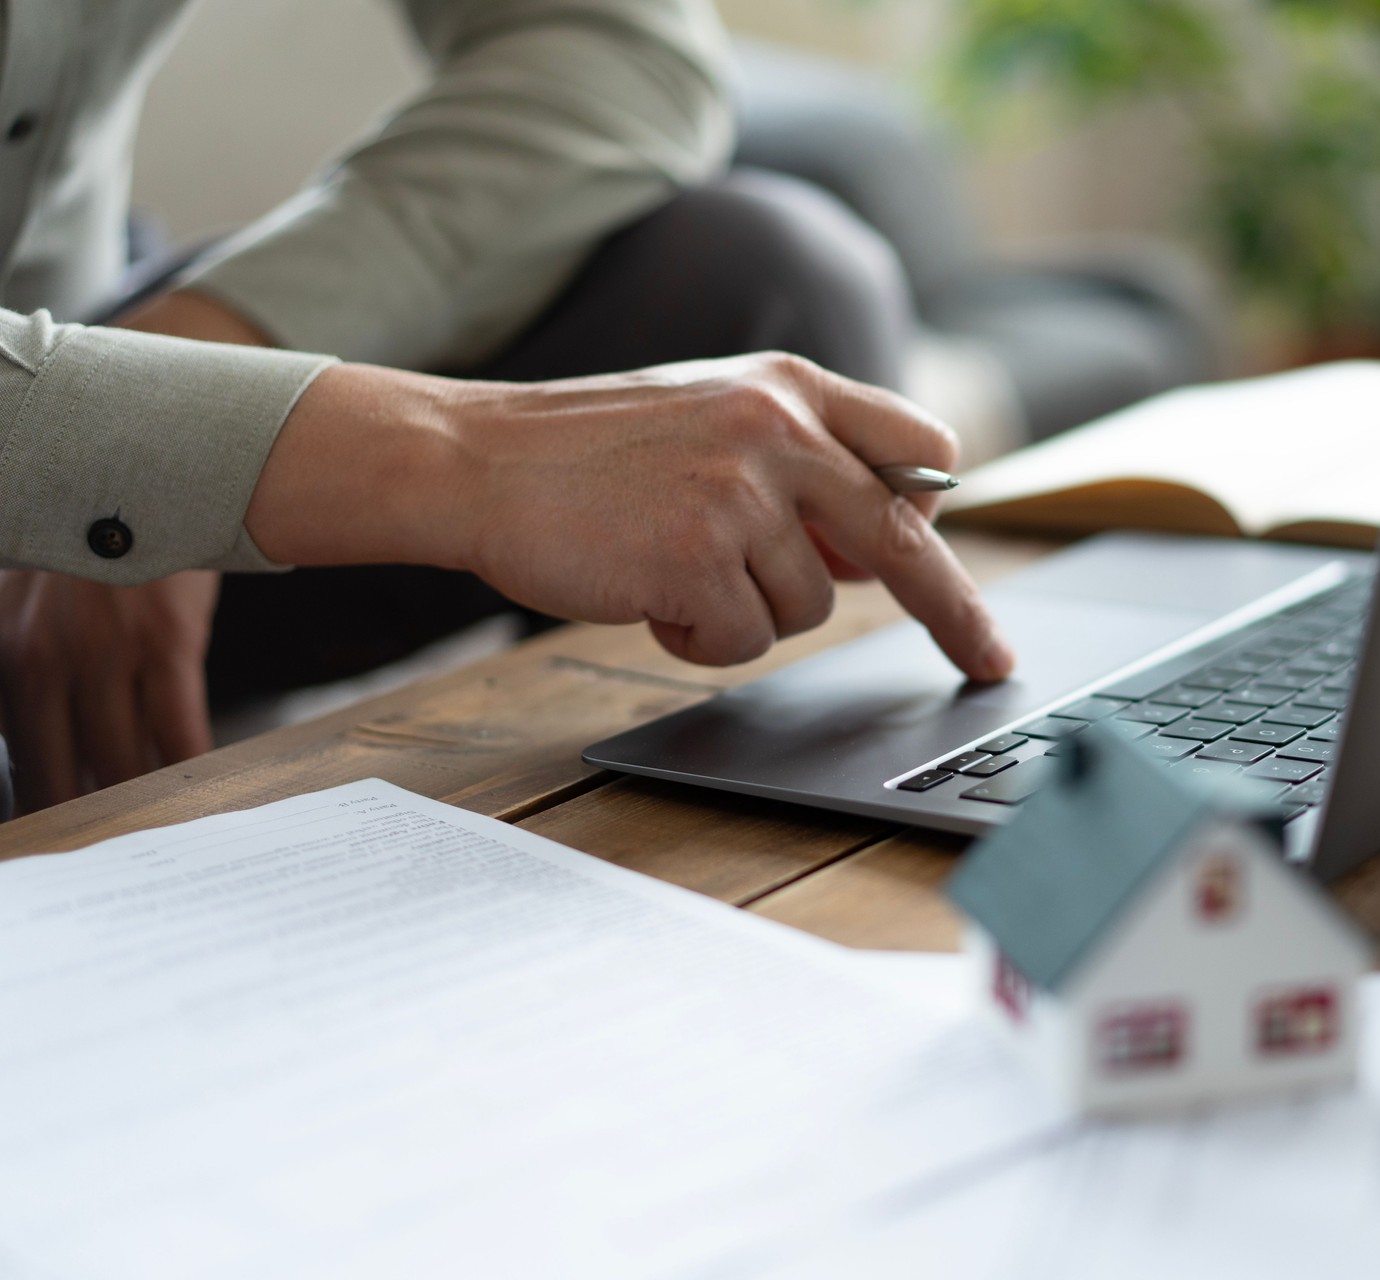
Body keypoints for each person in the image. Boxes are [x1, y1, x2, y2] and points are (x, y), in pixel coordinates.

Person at [0, 0, 1014, 816]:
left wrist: (190, 357)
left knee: (772, 280)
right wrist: (460, 459)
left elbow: (619, 51)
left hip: (86, 313)